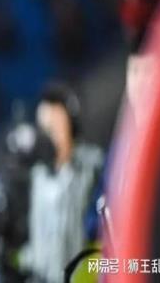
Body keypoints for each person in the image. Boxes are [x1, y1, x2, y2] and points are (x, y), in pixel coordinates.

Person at [18, 82, 103, 283]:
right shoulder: (36, 175)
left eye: (55, 125)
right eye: (44, 128)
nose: (49, 135)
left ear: (71, 124)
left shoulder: (93, 166)